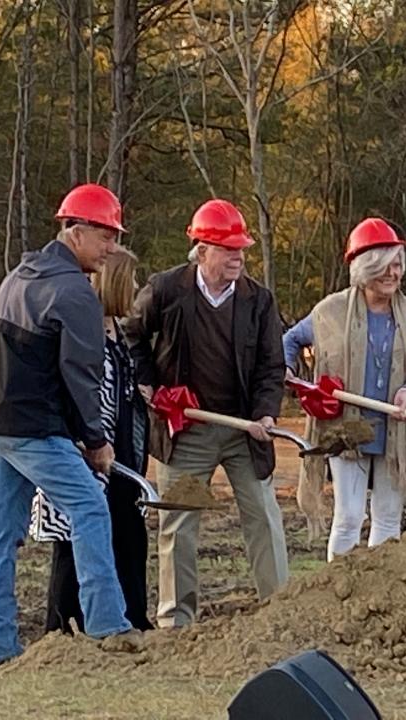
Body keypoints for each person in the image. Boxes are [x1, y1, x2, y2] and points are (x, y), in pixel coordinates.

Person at [121, 198, 288, 627]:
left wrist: (266, 413)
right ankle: (176, 620)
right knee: (178, 522)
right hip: (185, 429)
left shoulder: (259, 301)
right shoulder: (166, 290)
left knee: (264, 517)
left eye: (241, 249)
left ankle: (281, 611)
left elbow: (273, 366)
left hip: (244, 428)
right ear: (202, 249)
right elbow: (132, 335)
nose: (238, 257)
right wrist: (148, 382)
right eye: (228, 249)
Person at [0, 183, 140, 665]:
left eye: (114, 237)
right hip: (36, 429)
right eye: (105, 237)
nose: (112, 248)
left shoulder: (17, 277)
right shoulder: (75, 293)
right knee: (91, 509)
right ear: (75, 231)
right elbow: (82, 377)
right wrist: (95, 442)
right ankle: (108, 627)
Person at [285, 218, 406, 562]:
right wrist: (288, 370)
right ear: (364, 268)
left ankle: (379, 591)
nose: (393, 273)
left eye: (398, 264)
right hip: (346, 431)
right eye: (384, 266)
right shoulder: (331, 311)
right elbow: (291, 340)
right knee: (350, 516)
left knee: (387, 517)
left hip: (394, 432)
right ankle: (339, 588)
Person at [30, 248, 154, 633]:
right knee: (74, 539)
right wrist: (88, 440)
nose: (136, 286)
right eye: (131, 279)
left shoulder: (117, 329)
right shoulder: (83, 324)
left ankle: (132, 618)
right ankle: (63, 626)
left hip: (121, 453)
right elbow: (75, 386)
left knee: (129, 535)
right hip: (86, 450)